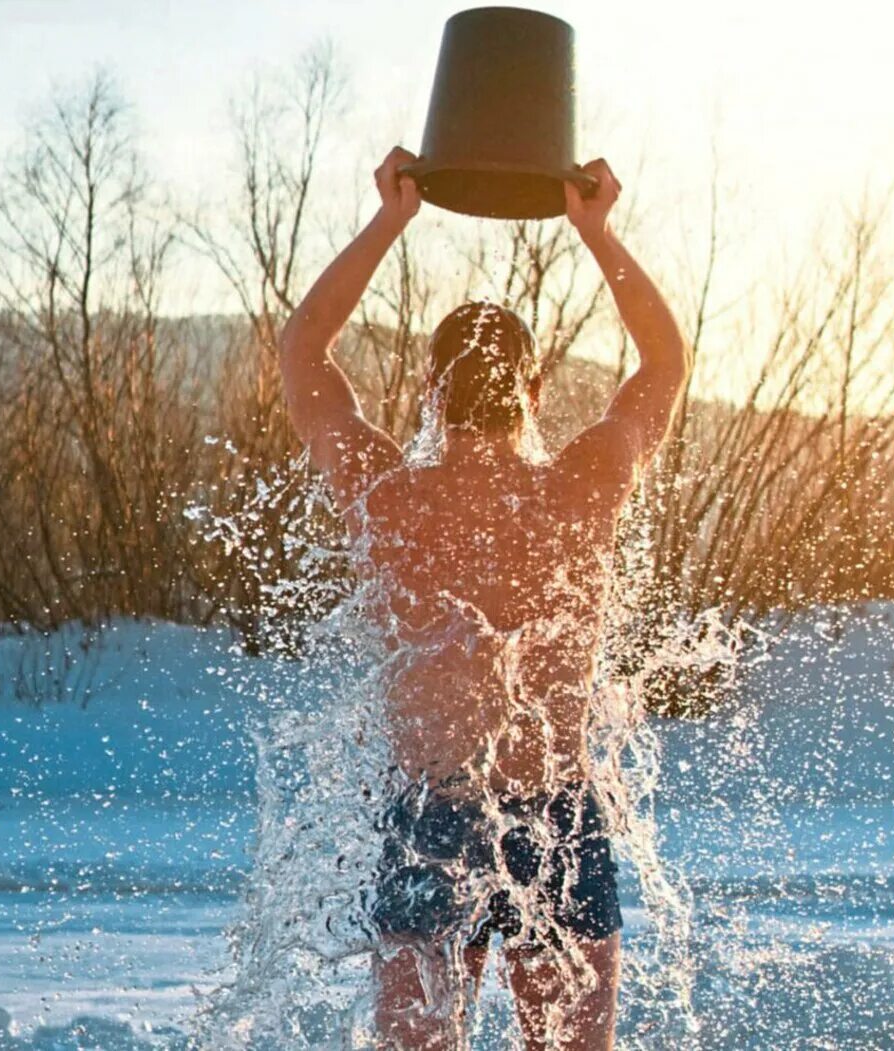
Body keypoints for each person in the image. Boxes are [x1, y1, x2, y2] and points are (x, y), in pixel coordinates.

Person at [278, 147, 691, 1051]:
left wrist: (392, 217)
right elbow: (665, 359)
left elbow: (302, 347)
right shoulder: (582, 488)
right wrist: (596, 229)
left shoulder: (390, 497)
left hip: (430, 812)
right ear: (535, 392)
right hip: (557, 813)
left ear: (431, 391)